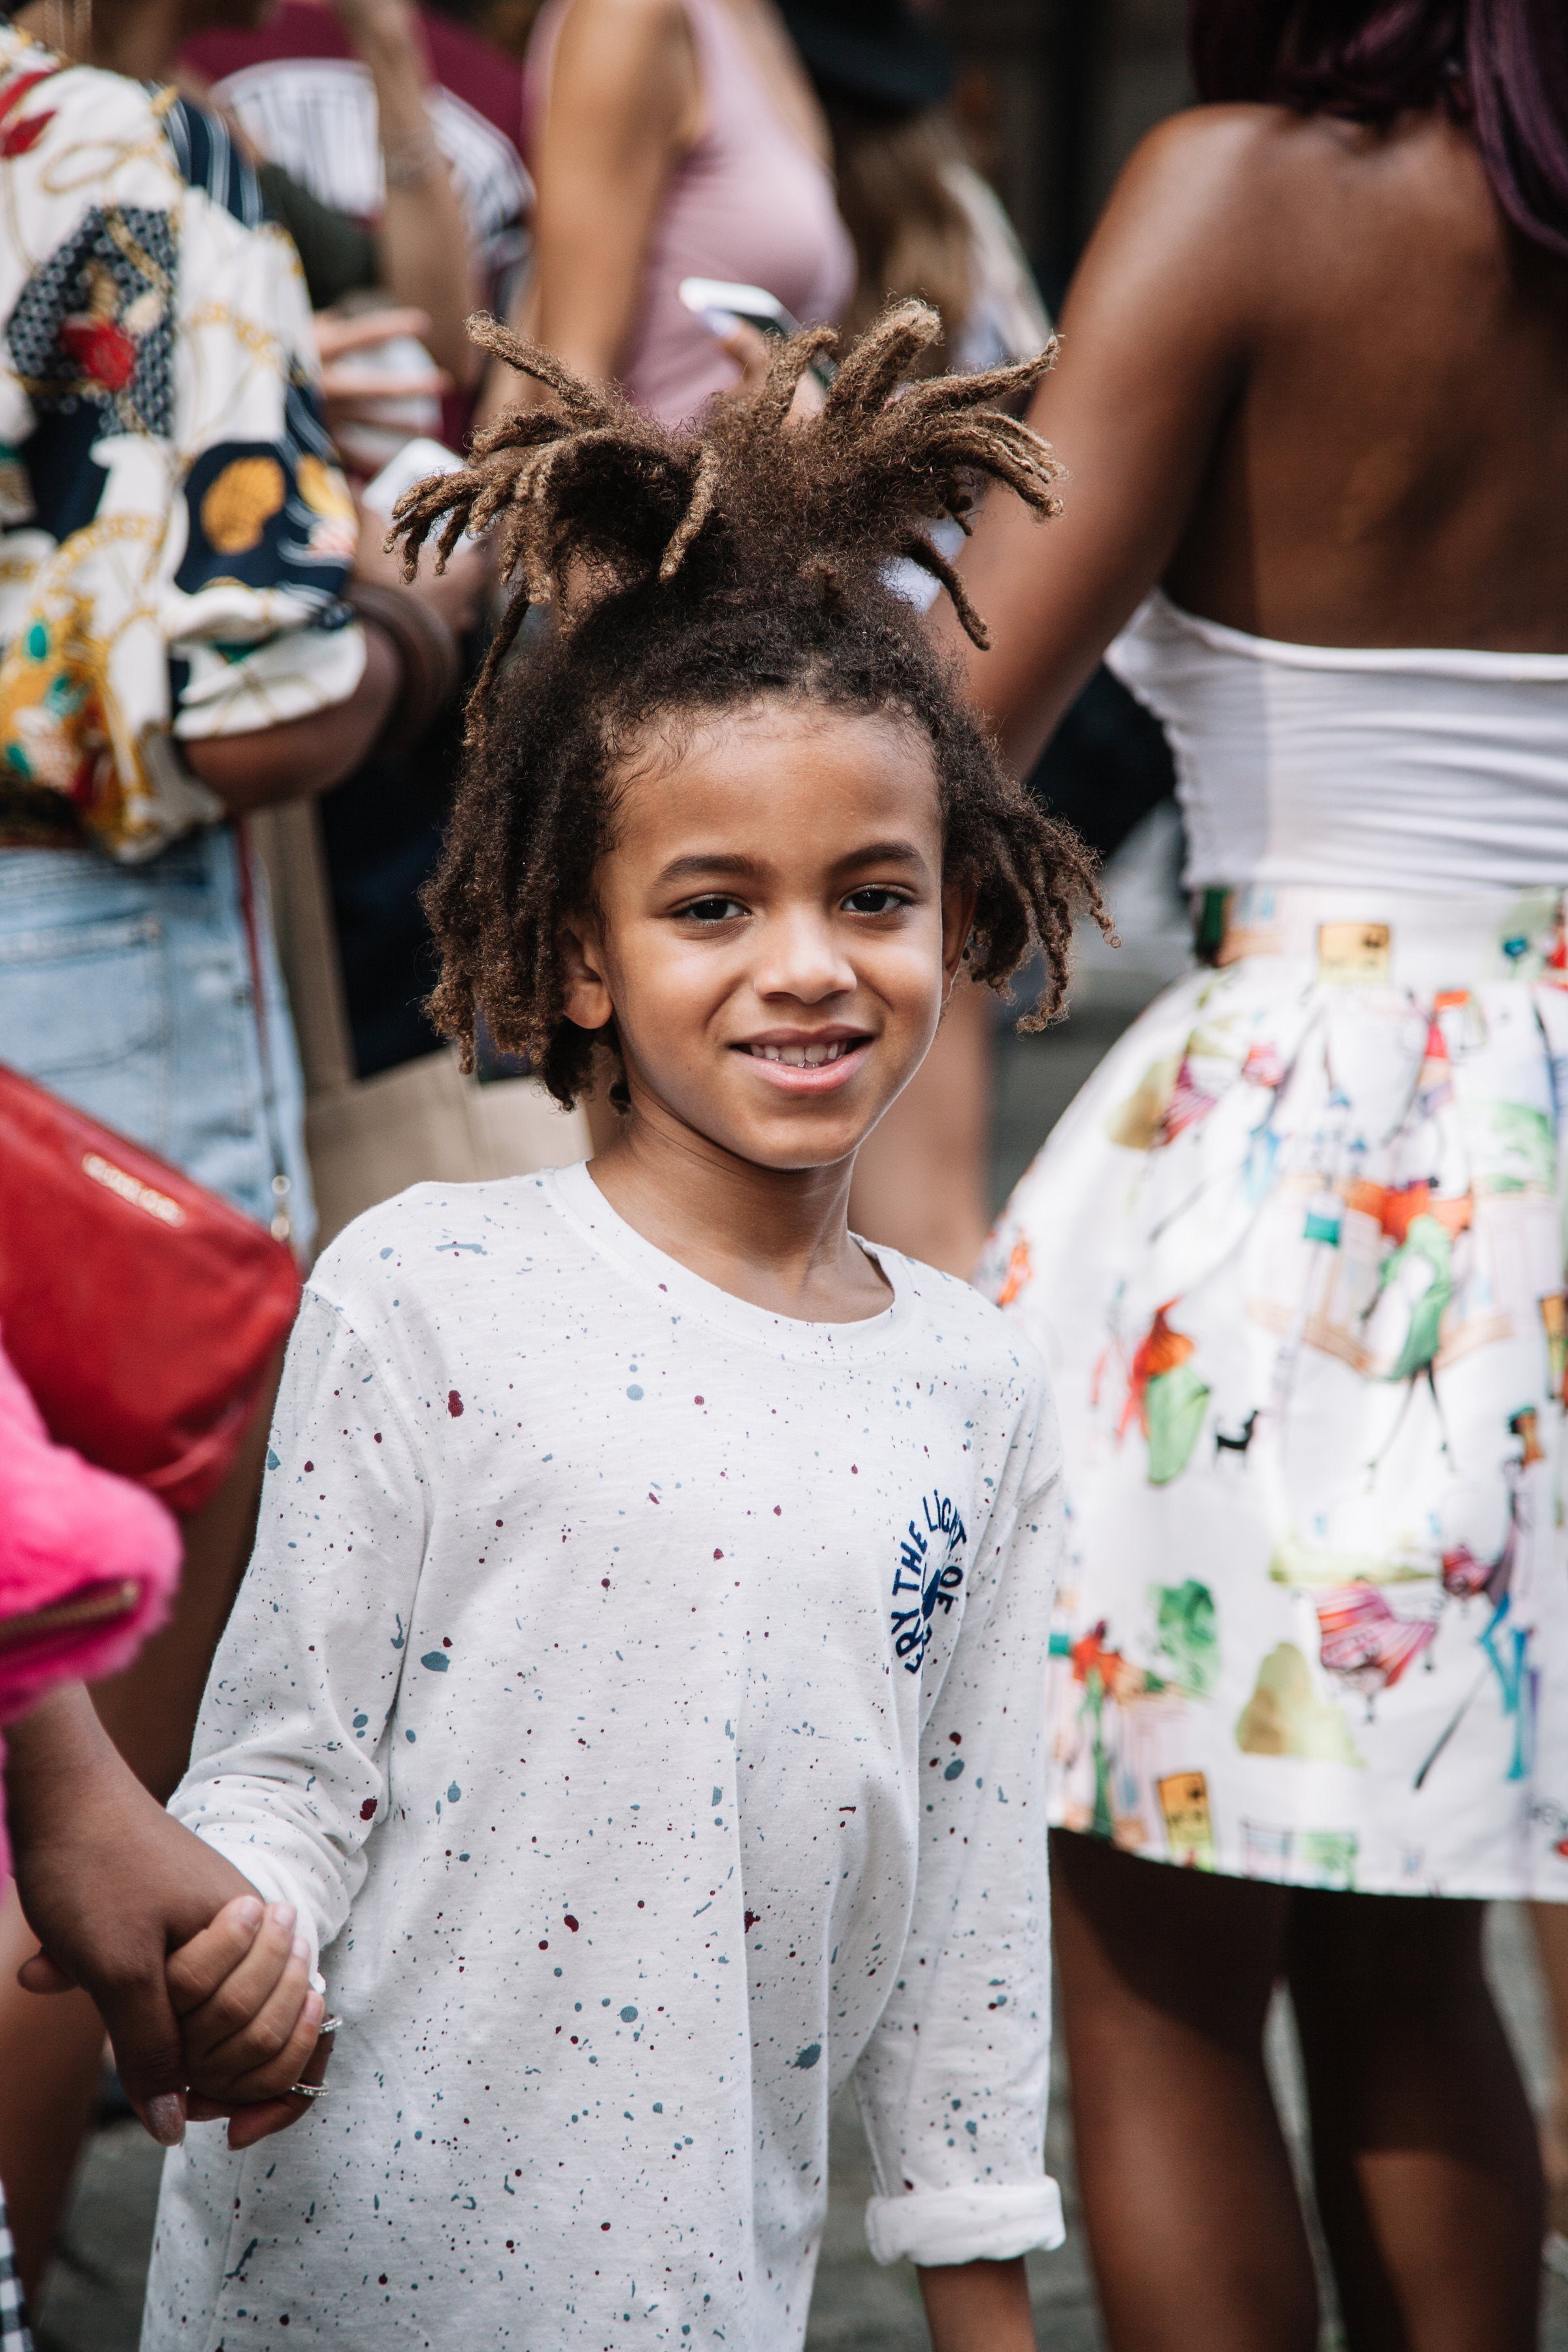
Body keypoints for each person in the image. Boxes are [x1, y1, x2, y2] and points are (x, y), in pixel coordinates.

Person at [97, 304, 1098, 2349]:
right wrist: (239, 1937)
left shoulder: (977, 1386)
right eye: (712, 905)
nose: (807, 967)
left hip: (692, 2303)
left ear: (961, 911)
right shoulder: (424, 1290)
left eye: (873, 896)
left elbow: (969, 1944)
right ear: (573, 957)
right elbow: (287, 1763)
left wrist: (986, 2307)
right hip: (327, 2285)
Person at [937, 2, 1568, 2346]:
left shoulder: (1243, 192)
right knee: (1421, 1952)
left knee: (1157, 1972)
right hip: (1547, 1161)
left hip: (1309, 1164)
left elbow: (946, 730)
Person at [0, 0, 437, 2292]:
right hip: (88, 974)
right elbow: (254, 707)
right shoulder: (113, 157)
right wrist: (414, 608)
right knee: (56, 1726)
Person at [503, 0, 854, 430]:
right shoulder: (633, 15)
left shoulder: (761, 23)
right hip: (655, 488)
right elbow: (570, 383)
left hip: (746, 491)